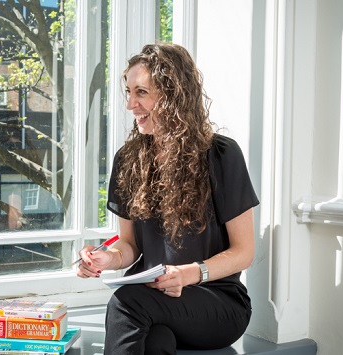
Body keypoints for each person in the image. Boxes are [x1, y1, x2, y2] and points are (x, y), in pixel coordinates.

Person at [76, 43, 259, 354]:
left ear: (174, 94)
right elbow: (129, 244)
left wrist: (188, 274)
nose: (130, 104)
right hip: (155, 301)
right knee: (156, 342)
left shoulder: (221, 155)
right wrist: (108, 259)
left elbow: (244, 253)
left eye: (141, 92)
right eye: (129, 92)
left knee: (125, 302)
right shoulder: (127, 159)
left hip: (216, 302)